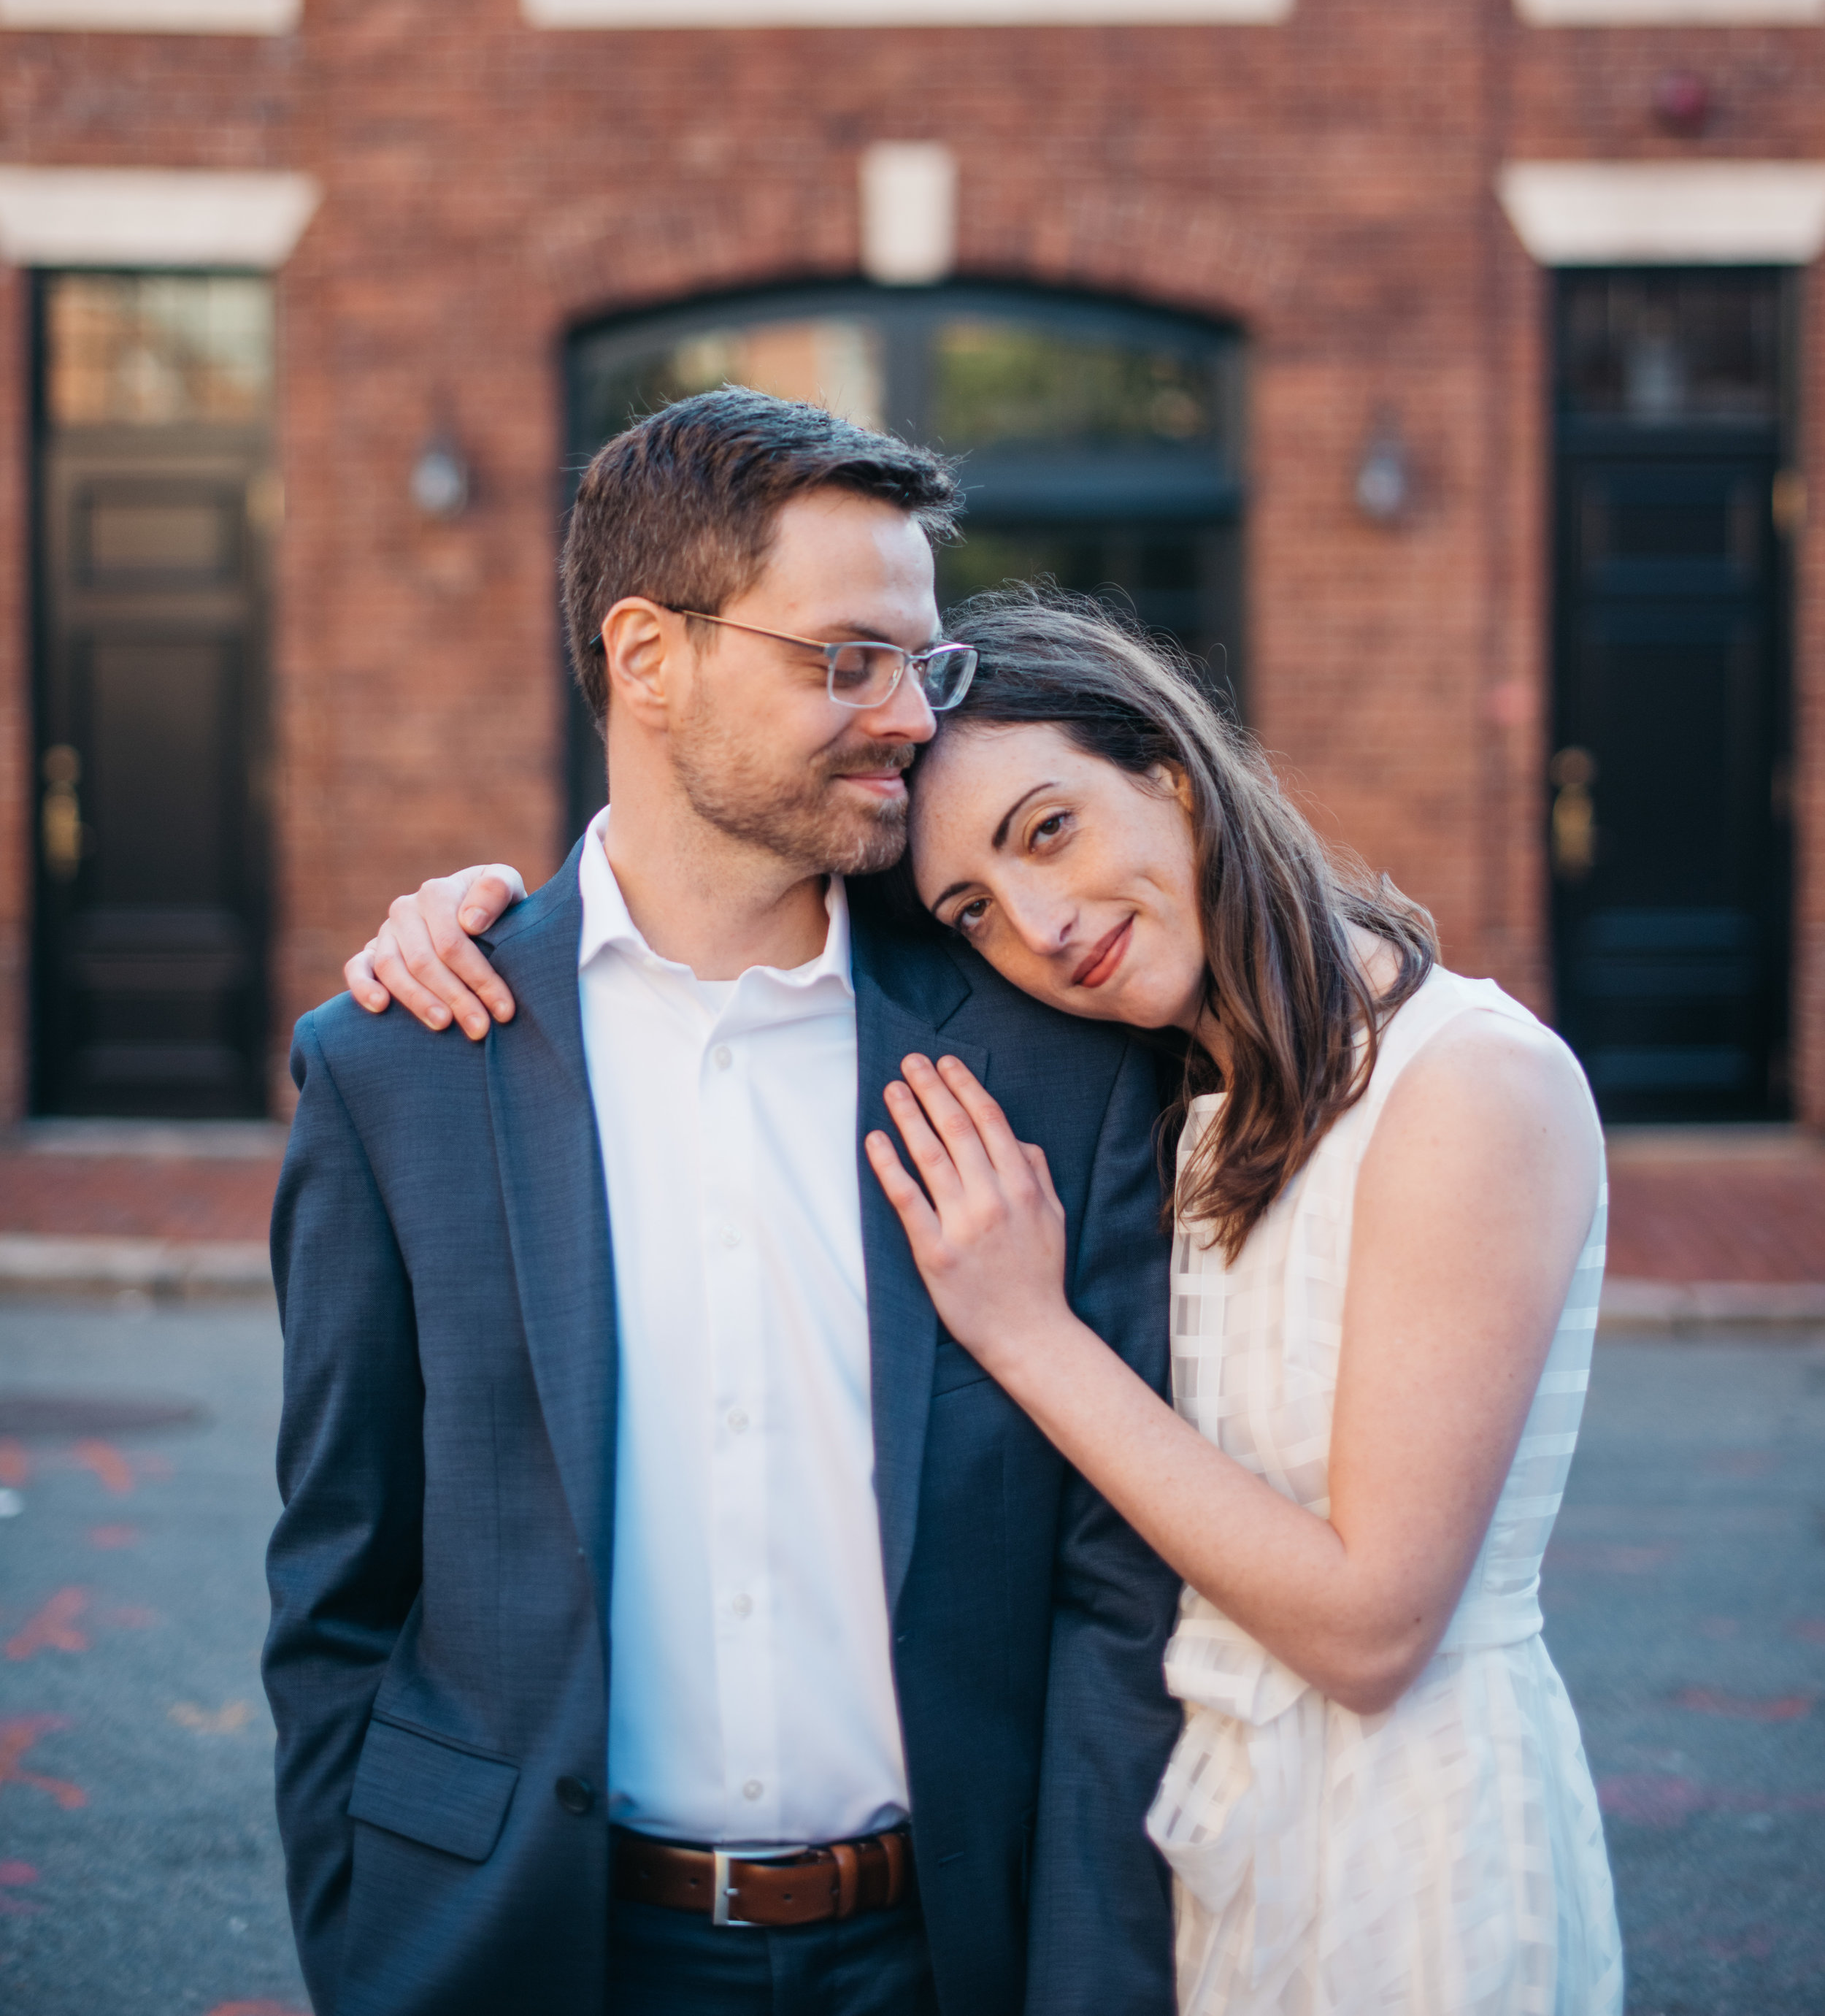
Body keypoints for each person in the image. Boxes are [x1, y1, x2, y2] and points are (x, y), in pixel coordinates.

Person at [358, 585, 1625, 2015]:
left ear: (1168, 765)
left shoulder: (1465, 1087)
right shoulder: (1170, 1087)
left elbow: (1369, 1628)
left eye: (1049, 828)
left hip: (1409, 1865)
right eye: (972, 906)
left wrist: (1027, 1334)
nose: (1041, 923)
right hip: (1209, 1860)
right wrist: (481, 918)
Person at [265, 391, 1183, 2016]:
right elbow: (343, 1575)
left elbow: (1114, 1592)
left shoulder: (1050, 1061)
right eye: (844, 659)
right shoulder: (400, 1066)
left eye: (920, 660)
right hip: (532, 1954)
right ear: (647, 657)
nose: (908, 714)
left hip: (944, 1949)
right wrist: (366, 1934)